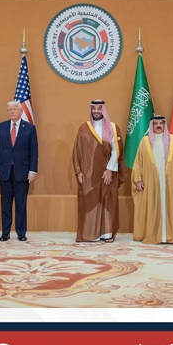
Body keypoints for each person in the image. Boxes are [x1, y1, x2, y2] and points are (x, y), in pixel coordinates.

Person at [72, 99, 124, 242]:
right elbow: (77, 150)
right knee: (90, 201)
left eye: (99, 108)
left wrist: (109, 170)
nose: (96, 111)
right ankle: (91, 234)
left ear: (103, 110)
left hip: (107, 173)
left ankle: (107, 233)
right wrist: (78, 171)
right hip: (89, 174)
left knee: (108, 201)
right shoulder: (84, 128)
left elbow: (117, 150)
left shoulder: (113, 127)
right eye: (94, 108)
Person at [131, 115, 173, 244]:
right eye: (156, 123)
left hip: (169, 181)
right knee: (151, 207)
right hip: (150, 182)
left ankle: (167, 236)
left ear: (165, 125)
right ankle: (153, 235)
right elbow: (138, 162)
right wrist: (138, 179)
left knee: (167, 207)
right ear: (152, 126)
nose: (159, 126)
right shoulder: (145, 141)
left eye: (161, 123)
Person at [0, 100, 38, 242]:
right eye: (9, 109)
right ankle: (5, 233)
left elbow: (34, 151)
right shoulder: (1, 127)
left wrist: (32, 170)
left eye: (14, 109)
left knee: (21, 204)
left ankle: (21, 233)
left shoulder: (30, 128)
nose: (11, 112)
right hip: (4, 171)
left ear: (21, 111)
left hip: (22, 172)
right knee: (5, 204)